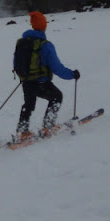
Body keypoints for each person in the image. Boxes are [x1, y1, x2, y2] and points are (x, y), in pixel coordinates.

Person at [14, 11, 80, 140]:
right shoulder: (45, 45)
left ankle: (23, 131)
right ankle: (47, 127)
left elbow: (16, 63)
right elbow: (57, 68)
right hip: (41, 82)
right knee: (56, 97)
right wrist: (72, 74)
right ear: (44, 26)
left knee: (28, 104)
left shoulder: (22, 43)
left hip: (26, 81)